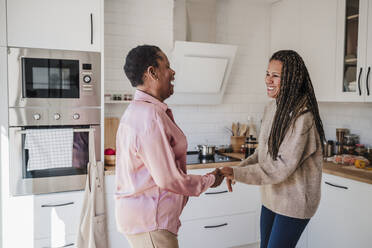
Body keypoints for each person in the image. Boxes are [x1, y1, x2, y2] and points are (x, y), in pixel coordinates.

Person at [115, 45, 224, 248]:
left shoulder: (137, 111)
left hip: (144, 220)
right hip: (150, 221)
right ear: (152, 72)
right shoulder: (150, 115)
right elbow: (168, 179)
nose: (173, 72)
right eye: (167, 66)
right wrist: (210, 180)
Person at [220, 50, 326, 248]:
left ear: (292, 79)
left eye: (275, 75)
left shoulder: (303, 118)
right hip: (272, 197)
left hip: (294, 202)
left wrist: (237, 172)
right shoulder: (272, 108)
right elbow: (262, 154)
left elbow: (281, 167)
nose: (268, 79)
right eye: (267, 73)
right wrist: (237, 170)